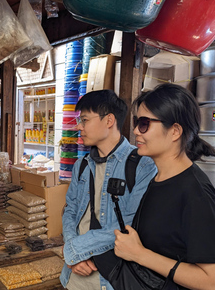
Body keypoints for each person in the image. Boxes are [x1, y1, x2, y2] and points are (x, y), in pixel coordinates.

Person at [112, 83, 215, 289]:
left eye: (144, 123)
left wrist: (140, 255)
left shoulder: (196, 193)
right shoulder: (158, 179)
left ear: (175, 131)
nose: (135, 131)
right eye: (136, 122)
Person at [60, 89, 157, 290]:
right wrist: (73, 255)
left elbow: (130, 224)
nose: (79, 126)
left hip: (112, 279)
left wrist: (74, 251)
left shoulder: (142, 165)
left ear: (109, 120)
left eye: (85, 120)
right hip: (76, 276)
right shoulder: (82, 165)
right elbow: (70, 210)